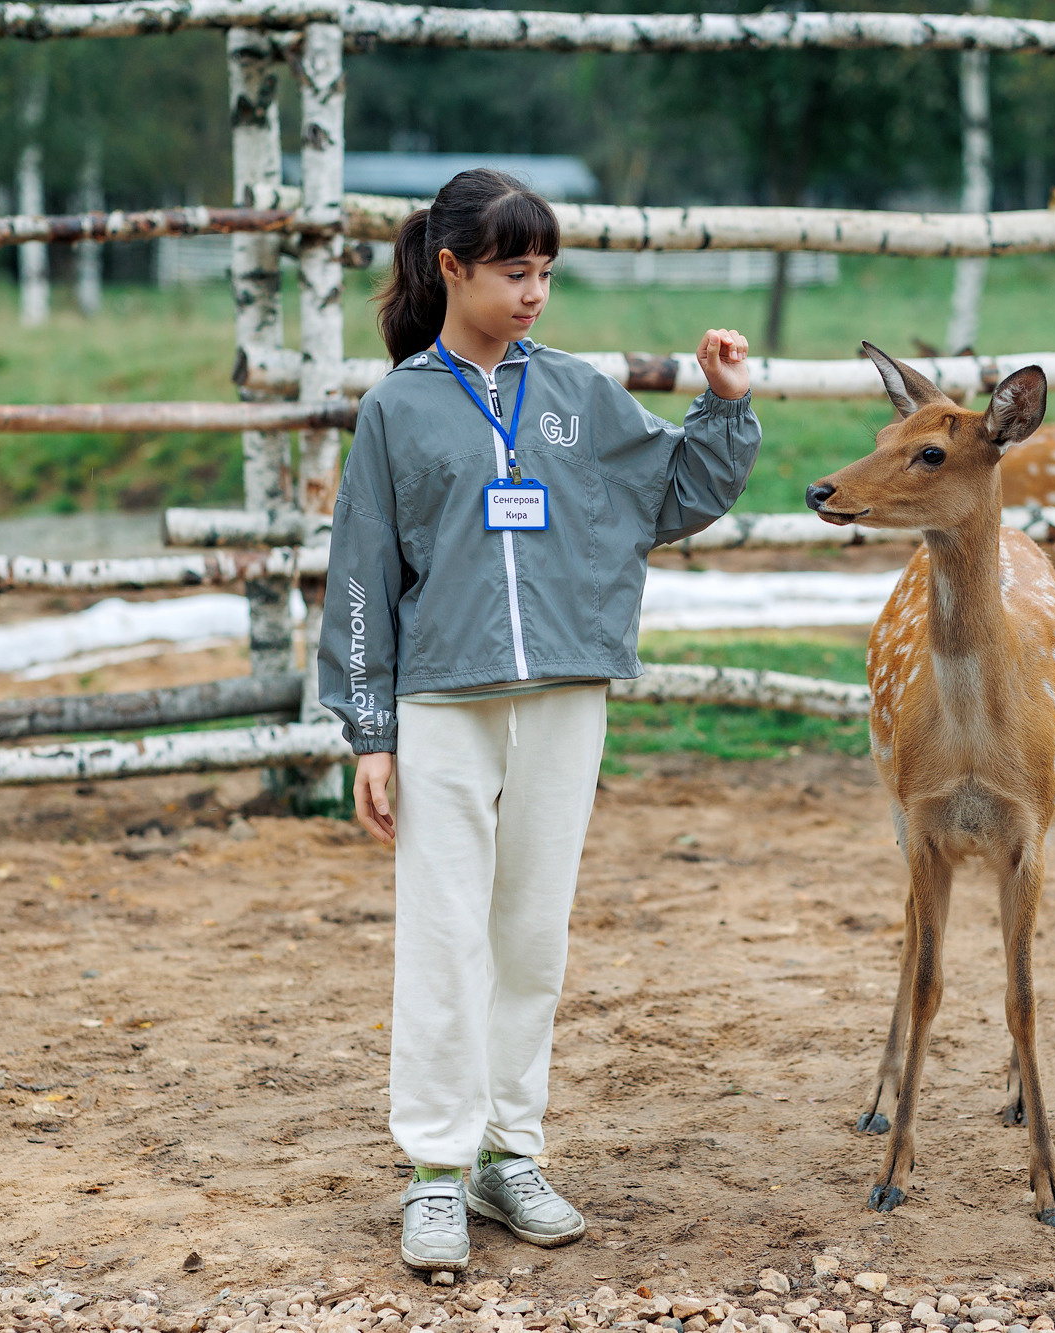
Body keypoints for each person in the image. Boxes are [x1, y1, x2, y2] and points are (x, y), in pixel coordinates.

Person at [317, 168, 759, 1273]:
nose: (534, 293)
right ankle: (433, 1171)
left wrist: (725, 404)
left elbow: (675, 492)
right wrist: (369, 729)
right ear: (451, 268)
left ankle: (509, 1152)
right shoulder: (397, 407)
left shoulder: (574, 393)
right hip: (442, 707)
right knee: (441, 938)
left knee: (530, 939)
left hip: (565, 695)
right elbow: (362, 575)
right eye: (514, 272)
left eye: (547, 273)